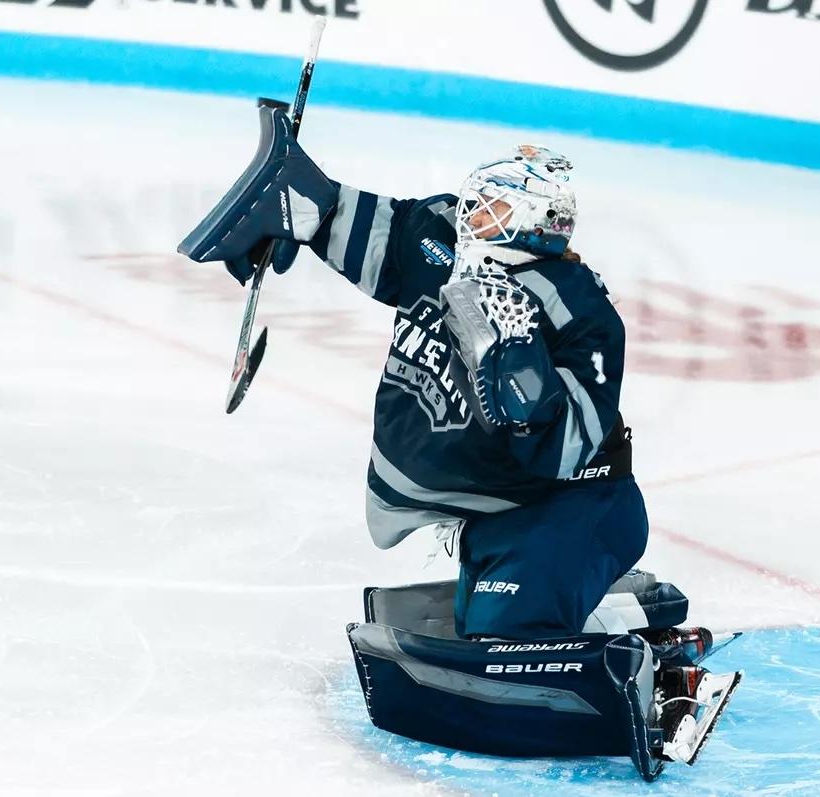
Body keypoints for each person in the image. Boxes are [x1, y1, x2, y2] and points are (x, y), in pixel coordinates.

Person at [178, 104, 738, 779]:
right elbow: (385, 238)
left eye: (493, 211)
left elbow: (563, 451)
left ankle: (661, 676)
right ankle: (643, 614)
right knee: (483, 616)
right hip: (501, 515)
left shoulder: (582, 312)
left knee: (502, 635)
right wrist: (304, 207)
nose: (474, 219)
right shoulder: (454, 242)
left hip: (575, 515)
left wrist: (513, 362)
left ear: (537, 221)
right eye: (477, 206)